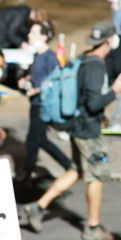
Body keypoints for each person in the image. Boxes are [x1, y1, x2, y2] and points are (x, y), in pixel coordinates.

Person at [21, 21, 121, 240]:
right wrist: (115, 91)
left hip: (77, 125)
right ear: (109, 41)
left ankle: (38, 207)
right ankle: (93, 226)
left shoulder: (84, 58)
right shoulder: (96, 65)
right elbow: (94, 103)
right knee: (96, 175)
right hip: (88, 130)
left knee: (75, 170)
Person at [19, 22, 70, 180]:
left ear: (43, 37)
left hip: (43, 105)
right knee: (38, 140)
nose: (29, 35)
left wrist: (36, 90)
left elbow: (55, 81)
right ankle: (29, 172)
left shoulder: (50, 57)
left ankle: (28, 173)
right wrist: (26, 80)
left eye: (34, 33)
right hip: (35, 103)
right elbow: (37, 77)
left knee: (34, 140)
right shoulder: (37, 56)